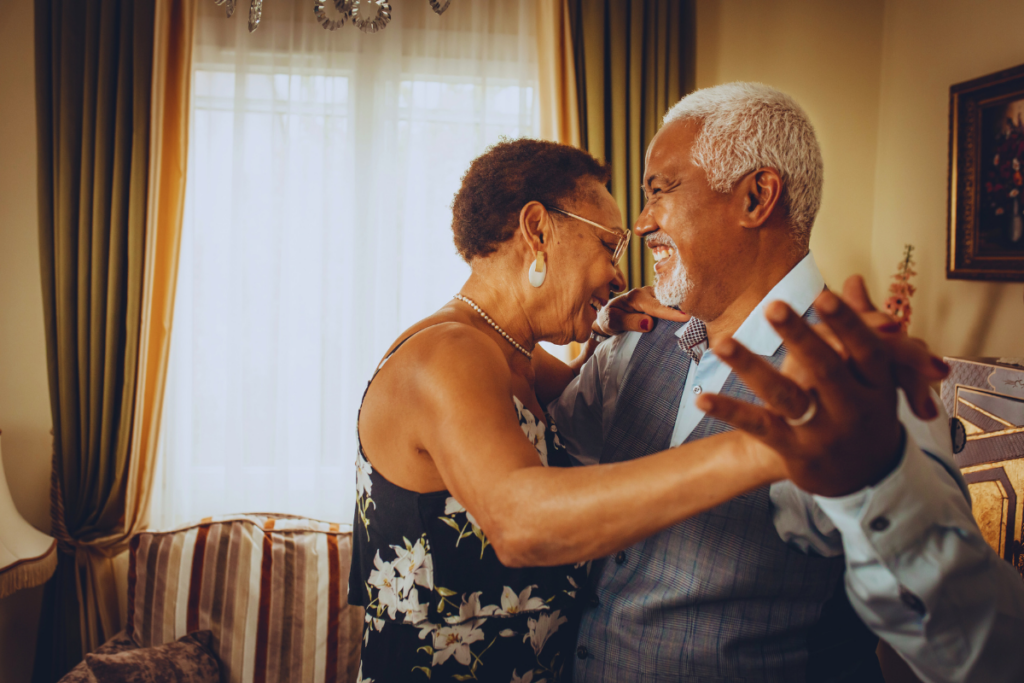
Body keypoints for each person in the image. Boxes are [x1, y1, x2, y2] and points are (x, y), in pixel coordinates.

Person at [347, 137, 946, 683]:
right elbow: (520, 523)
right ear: (538, 229)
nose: (618, 274)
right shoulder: (446, 356)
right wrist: (768, 443)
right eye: (609, 245)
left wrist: (604, 328)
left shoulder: (517, 359)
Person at [549, 82, 1024, 683]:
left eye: (660, 190)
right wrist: (588, 327)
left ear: (756, 197)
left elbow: (986, 654)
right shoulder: (632, 340)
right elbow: (543, 463)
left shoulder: (861, 384)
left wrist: (881, 481)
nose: (642, 224)